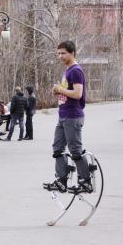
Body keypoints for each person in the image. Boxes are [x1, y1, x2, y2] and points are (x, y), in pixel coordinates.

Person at [43, 41, 92, 194]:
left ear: (72, 53)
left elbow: (78, 94)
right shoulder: (67, 70)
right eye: (58, 53)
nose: (60, 56)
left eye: (63, 53)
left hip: (73, 116)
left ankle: (85, 182)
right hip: (63, 116)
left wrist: (61, 90)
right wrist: (58, 91)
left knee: (75, 150)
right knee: (57, 149)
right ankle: (61, 181)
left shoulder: (76, 71)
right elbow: (67, 93)